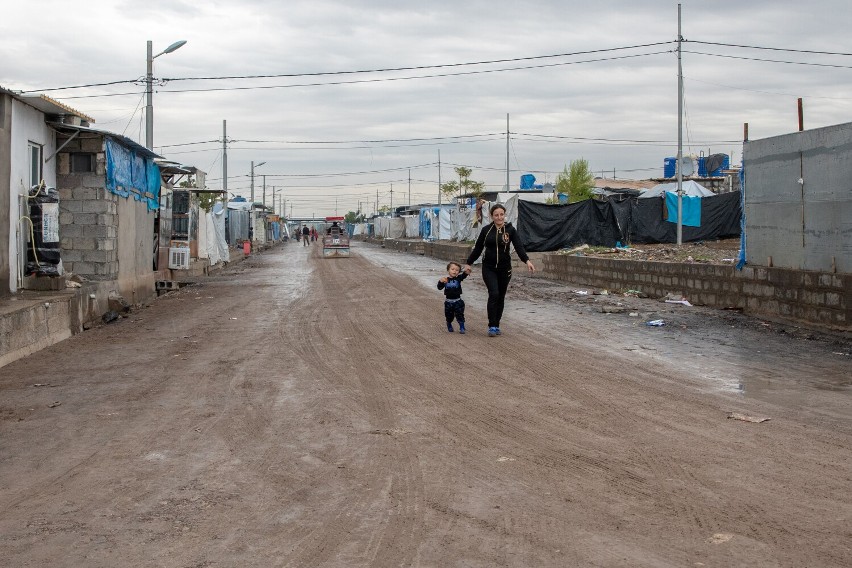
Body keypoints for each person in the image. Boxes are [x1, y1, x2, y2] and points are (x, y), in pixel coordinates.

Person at [463, 203, 535, 337]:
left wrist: (527, 261)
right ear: (492, 216)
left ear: (504, 215)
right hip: (489, 268)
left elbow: (519, 247)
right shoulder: (486, 230)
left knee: (501, 296)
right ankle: (491, 325)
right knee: (494, 293)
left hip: (504, 269)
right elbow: (478, 248)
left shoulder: (510, 230)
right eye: (496, 215)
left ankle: (496, 325)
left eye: (501, 214)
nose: (499, 217)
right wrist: (469, 263)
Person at [438, 261, 467, 334]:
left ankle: (462, 327)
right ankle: (449, 323)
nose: (455, 271)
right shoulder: (445, 280)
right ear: (448, 270)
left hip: (458, 301)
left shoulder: (459, 278)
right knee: (449, 315)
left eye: (457, 270)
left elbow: (464, 275)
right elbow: (439, 287)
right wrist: (440, 282)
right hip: (448, 302)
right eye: (452, 269)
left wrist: (467, 271)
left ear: (459, 272)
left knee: (460, 314)